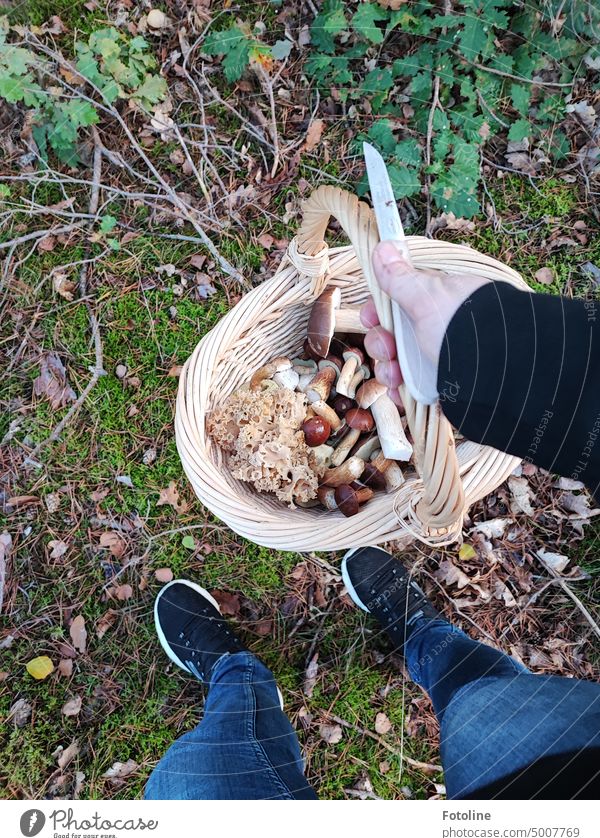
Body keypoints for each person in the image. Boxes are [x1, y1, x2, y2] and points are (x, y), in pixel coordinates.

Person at [144, 242, 600, 801]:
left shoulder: (354, 423)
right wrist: (497, 347)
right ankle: (427, 639)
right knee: (497, 709)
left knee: (200, 787)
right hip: (565, 758)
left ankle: (237, 681)